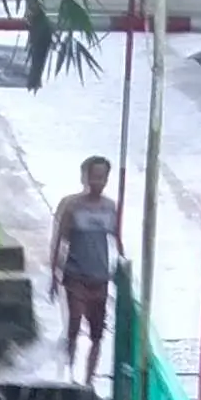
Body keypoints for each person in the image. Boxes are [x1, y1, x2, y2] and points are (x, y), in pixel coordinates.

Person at [50, 156, 124, 382]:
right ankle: (70, 373)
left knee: (97, 333)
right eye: (93, 176)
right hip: (75, 276)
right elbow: (59, 241)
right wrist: (54, 275)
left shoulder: (110, 208)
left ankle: (89, 380)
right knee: (74, 325)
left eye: (101, 177)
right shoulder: (72, 207)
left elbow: (117, 240)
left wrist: (122, 266)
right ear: (84, 177)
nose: (97, 181)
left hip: (99, 277)